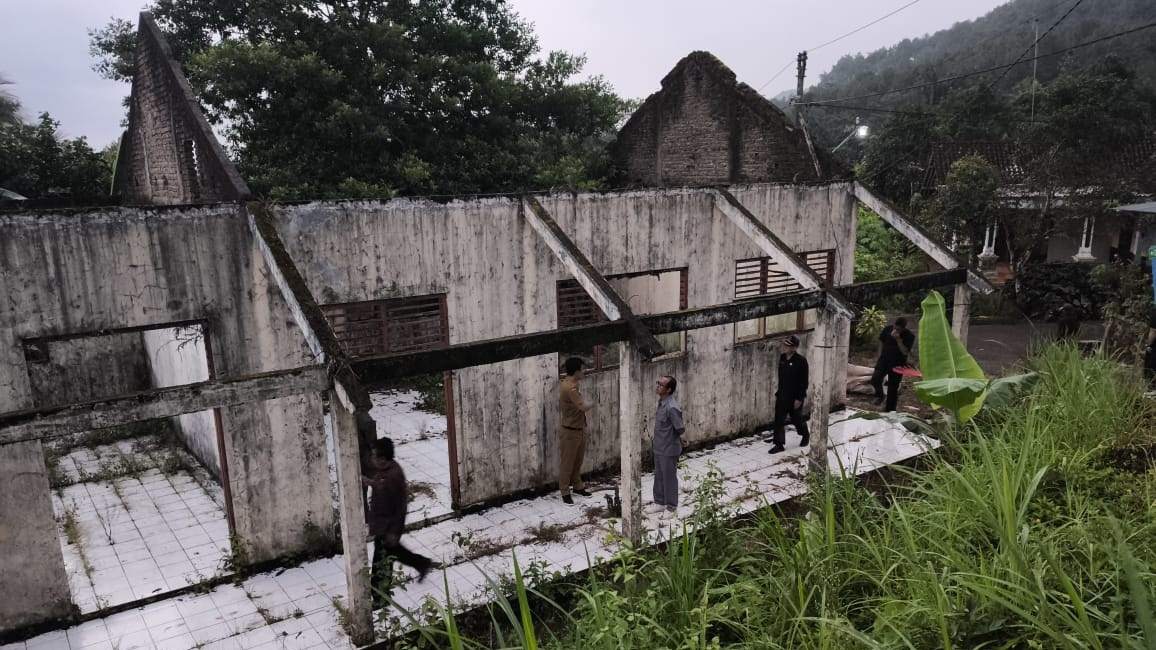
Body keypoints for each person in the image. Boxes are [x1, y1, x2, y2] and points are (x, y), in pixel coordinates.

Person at [363, 437, 432, 609]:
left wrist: (394, 532)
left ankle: (380, 598)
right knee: (395, 553)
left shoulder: (393, 475)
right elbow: (381, 486)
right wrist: (370, 482)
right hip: (382, 525)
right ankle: (422, 563)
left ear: (382, 458)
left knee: (381, 564)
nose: (372, 459)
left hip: (387, 528)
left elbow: (401, 507)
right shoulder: (386, 471)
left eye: (374, 456)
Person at [558, 356, 593, 504]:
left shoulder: (573, 384)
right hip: (570, 430)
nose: (584, 372)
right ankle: (565, 491)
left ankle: (578, 486)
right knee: (568, 463)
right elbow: (583, 406)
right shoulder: (570, 388)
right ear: (576, 371)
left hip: (579, 427)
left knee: (578, 461)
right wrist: (593, 402)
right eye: (582, 369)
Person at [651, 375, 685, 516]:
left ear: (669, 389)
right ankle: (659, 502)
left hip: (669, 448)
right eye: (658, 383)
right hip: (659, 447)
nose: (658, 386)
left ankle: (671, 507)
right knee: (658, 475)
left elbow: (680, 428)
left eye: (661, 384)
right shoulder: (662, 402)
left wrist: (674, 441)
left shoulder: (671, 407)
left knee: (669, 478)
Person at [769, 335, 809, 454]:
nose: (785, 347)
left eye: (788, 345)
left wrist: (799, 398)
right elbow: (781, 377)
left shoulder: (801, 361)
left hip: (795, 397)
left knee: (796, 419)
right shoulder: (782, 358)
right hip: (782, 395)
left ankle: (805, 434)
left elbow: (804, 382)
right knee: (779, 420)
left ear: (794, 347)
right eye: (784, 344)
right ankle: (779, 444)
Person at [870, 317, 915, 413]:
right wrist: (879, 355)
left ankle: (889, 410)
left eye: (898, 329)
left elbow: (905, 352)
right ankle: (880, 395)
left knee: (893, 388)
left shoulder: (909, 336)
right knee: (875, 378)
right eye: (895, 327)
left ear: (903, 328)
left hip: (898, 364)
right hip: (884, 360)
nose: (895, 330)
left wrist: (898, 339)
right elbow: (881, 342)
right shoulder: (888, 329)